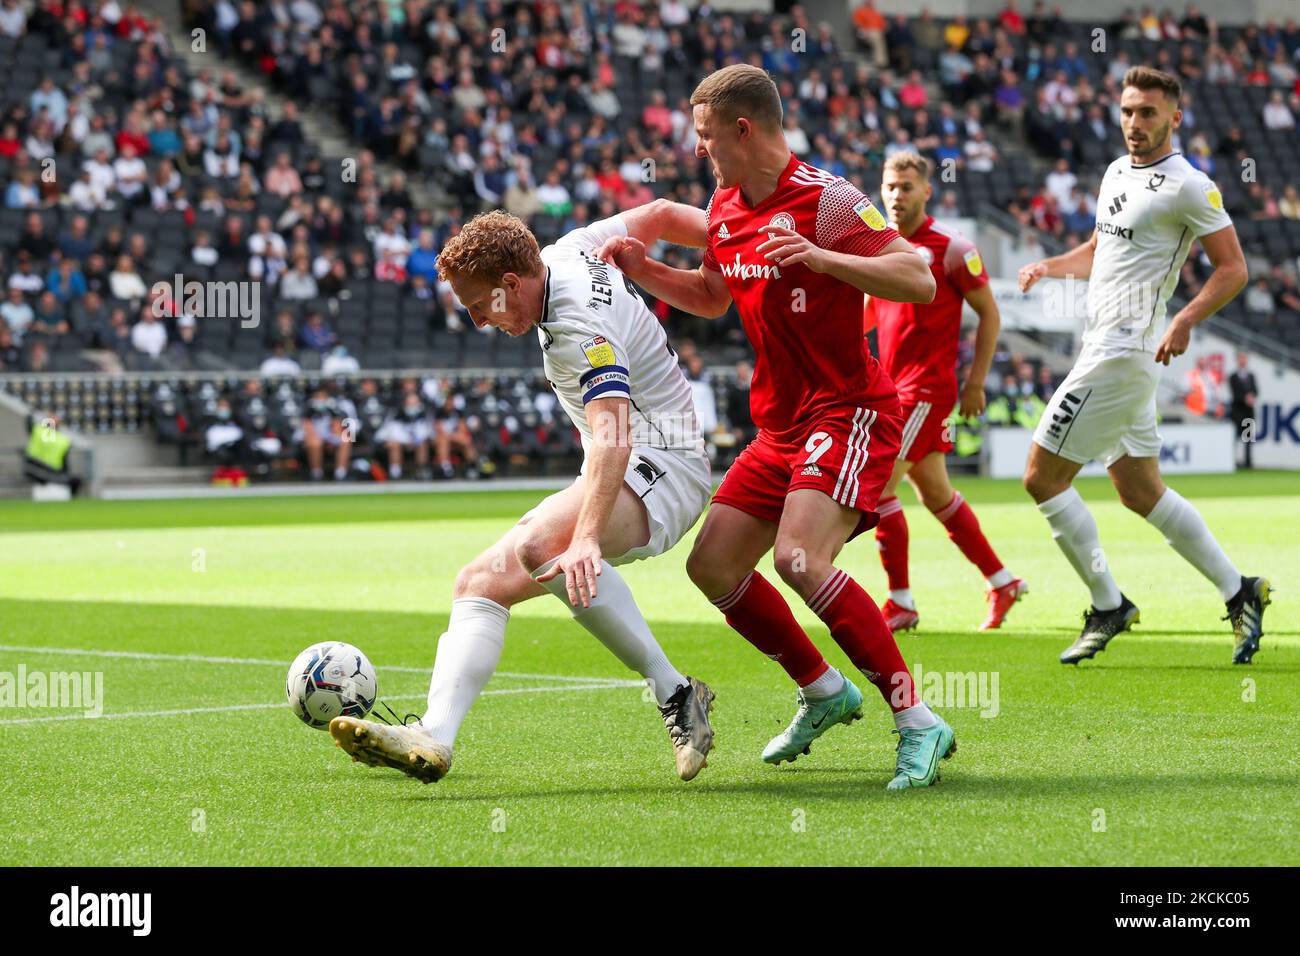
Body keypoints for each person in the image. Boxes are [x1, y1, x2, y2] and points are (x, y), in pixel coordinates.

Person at [598, 64, 956, 791]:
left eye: (705, 137)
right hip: (780, 424)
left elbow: (917, 277)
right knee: (713, 567)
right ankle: (825, 690)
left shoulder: (829, 201)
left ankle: (919, 719)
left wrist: (824, 258)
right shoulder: (725, 205)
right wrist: (645, 270)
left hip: (850, 408)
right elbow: (713, 296)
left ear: (744, 128)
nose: (699, 151)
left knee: (799, 558)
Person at [328, 209, 716, 784]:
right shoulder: (571, 248)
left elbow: (613, 432)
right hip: (627, 458)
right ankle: (433, 736)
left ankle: (675, 693)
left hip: (667, 465)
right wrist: (732, 233)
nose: (480, 321)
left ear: (513, 285)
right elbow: (658, 214)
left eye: (481, 305)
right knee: (477, 583)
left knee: (543, 545)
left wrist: (585, 536)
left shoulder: (579, 323)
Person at [1018, 67, 1270, 666]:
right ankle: (1242, 591)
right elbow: (1103, 248)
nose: (1135, 123)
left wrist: (1185, 320)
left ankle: (1109, 604)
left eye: (1149, 113)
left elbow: (1233, 268)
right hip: (1104, 345)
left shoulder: (1189, 185)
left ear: (1175, 118)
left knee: (1040, 478)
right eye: (1129, 111)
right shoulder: (1114, 172)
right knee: (1140, 490)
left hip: (1126, 352)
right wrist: (1051, 266)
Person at [867, 151, 1027, 633]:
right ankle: (1002, 581)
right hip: (894, 389)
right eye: (890, 186)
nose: (896, 195)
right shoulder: (883, 247)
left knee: (876, 489)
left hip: (926, 391)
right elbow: (873, 313)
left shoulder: (952, 249)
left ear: (926, 191)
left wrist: (975, 382)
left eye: (907, 187)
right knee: (937, 493)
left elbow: (990, 313)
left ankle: (901, 603)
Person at [1228, 352, 1258, 469]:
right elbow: (1235, 393)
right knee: (1234, 438)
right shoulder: (1233, 377)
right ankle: (1232, 462)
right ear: (1237, 360)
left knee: (1248, 438)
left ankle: (1248, 463)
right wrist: (1245, 398)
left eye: (1244, 358)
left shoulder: (1251, 376)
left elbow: (1256, 390)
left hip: (1248, 413)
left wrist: (1252, 396)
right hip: (1237, 413)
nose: (1243, 361)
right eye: (1241, 358)